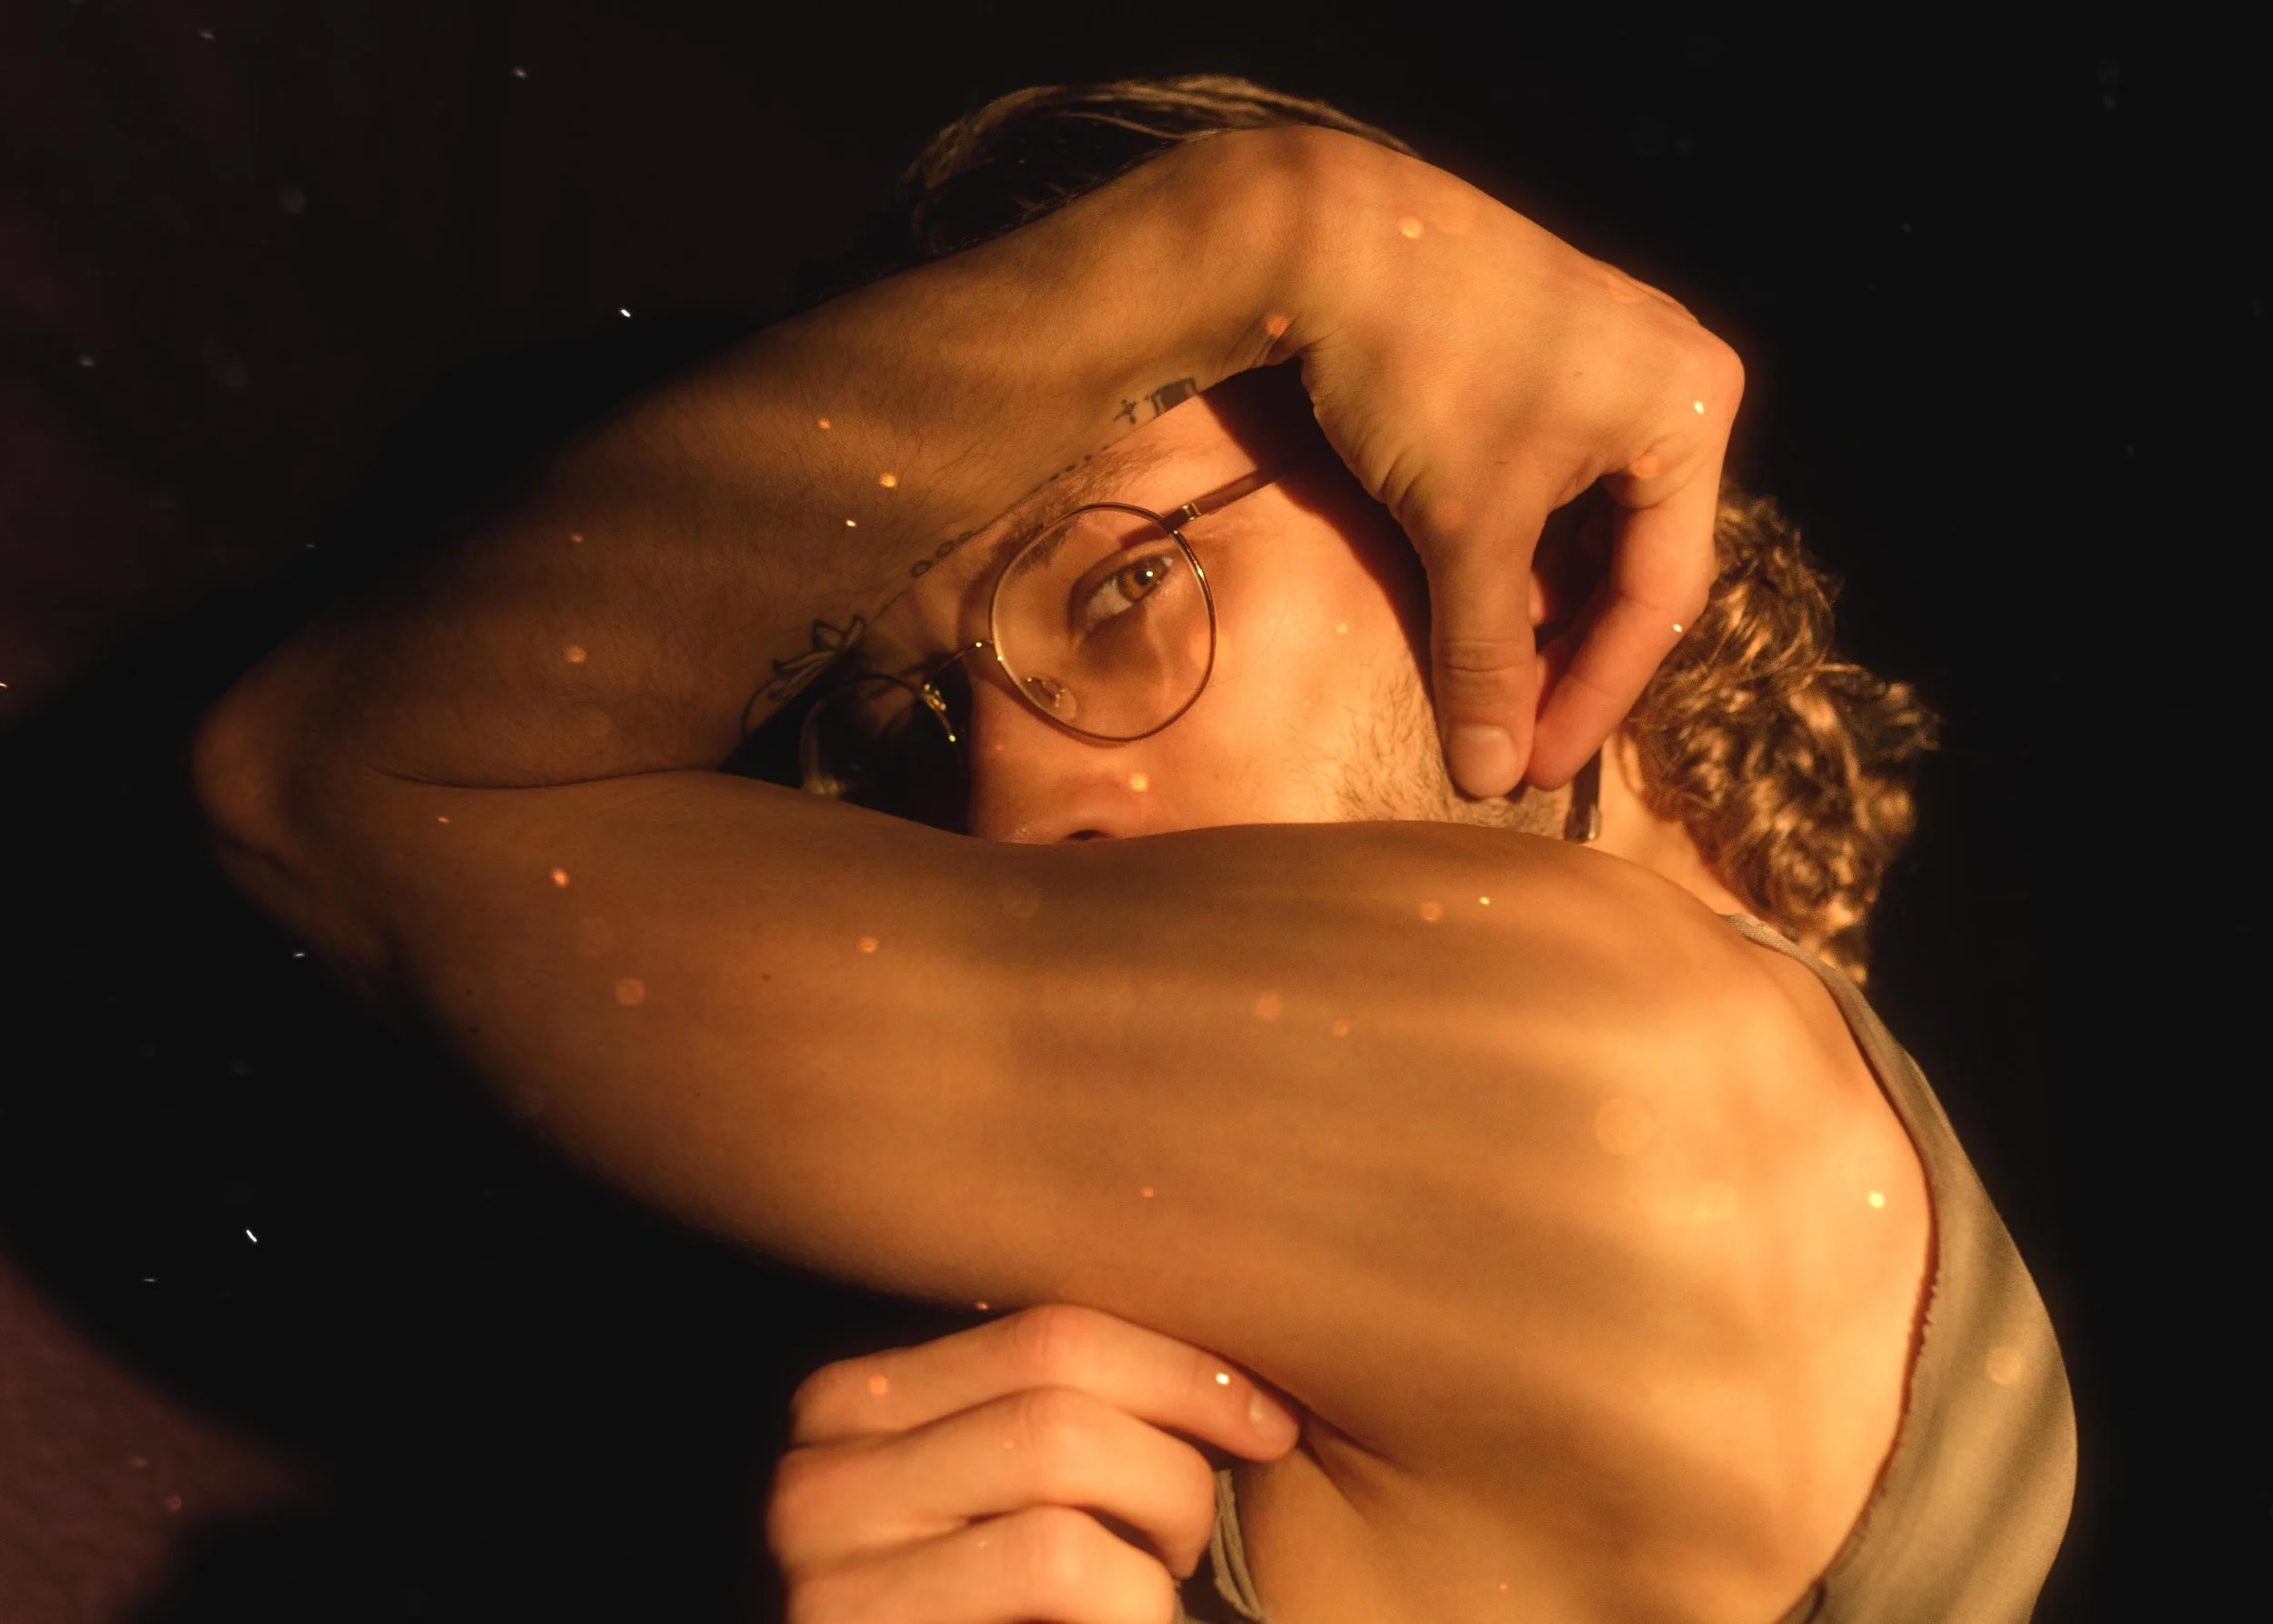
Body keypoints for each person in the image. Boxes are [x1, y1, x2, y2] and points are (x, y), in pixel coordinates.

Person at [189, 76, 2072, 1624]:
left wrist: (1262, 233)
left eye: (1124, 585)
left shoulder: (1619, 1071)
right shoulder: (1783, 1208)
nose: (1016, 804)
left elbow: (336, 793)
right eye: (916, 735)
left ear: (1529, 525)